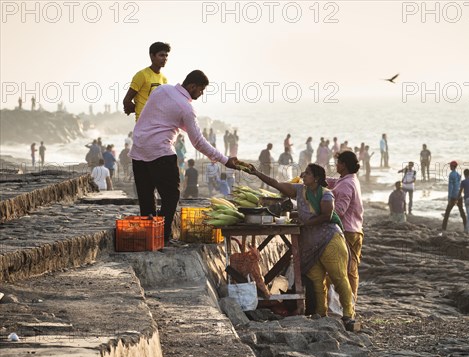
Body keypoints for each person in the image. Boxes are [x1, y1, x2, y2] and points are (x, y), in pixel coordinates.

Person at [129, 69, 239, 246]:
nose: (201, 94)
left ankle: (149, 238)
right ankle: (163, 237)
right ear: (192, 86)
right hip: (160, 153)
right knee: (171, 195)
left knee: (146, 197)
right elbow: (198, 142)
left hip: (139, 150)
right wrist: (225, 160)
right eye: (201, 90)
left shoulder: (161, 90)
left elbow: (155, 115)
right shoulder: (185, 108)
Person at [249, 163, 357, 331]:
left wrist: (305, 221)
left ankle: (348, 314)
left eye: (307, 173)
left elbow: (327, 215)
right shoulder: (299, 190)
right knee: (316, 280)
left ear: (316, 178)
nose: (303, 175)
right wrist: (256, 173)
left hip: (329, 238)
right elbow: (276, 184)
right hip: (309, 242)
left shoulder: (326, 194)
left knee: (339, 277)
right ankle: (321, 314)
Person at [327, 151, 364, 304]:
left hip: (348, 231)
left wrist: (321, 208)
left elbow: (340, 210)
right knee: (351, 270)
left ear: (344, 165)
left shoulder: (347, 184)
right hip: (355, 229)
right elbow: (334, 182)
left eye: (338, 162)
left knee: (345, 271)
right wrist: (317, 178)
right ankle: (349, 303)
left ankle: (347, 304)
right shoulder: (349, 179)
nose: (336, 165)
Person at [123, 42, 170, 121]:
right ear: (152, 56)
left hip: (158, 122)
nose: (165, 58)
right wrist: (138, 109)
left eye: (166, 55)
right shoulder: (142, 75)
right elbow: (127, 100)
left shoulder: (164, 79)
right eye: (161, 55)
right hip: (143, 123)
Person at [441, 161, 466, 231]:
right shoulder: (458, 175)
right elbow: (458, 185)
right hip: (459, 196)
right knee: (462, 212)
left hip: (453, 196)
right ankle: (466, 227)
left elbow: (450, 187)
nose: (449, 167)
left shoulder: (451, 174)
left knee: (447, 213)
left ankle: (443, 228)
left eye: (450, 165)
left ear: (452, 166)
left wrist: (449, 198)